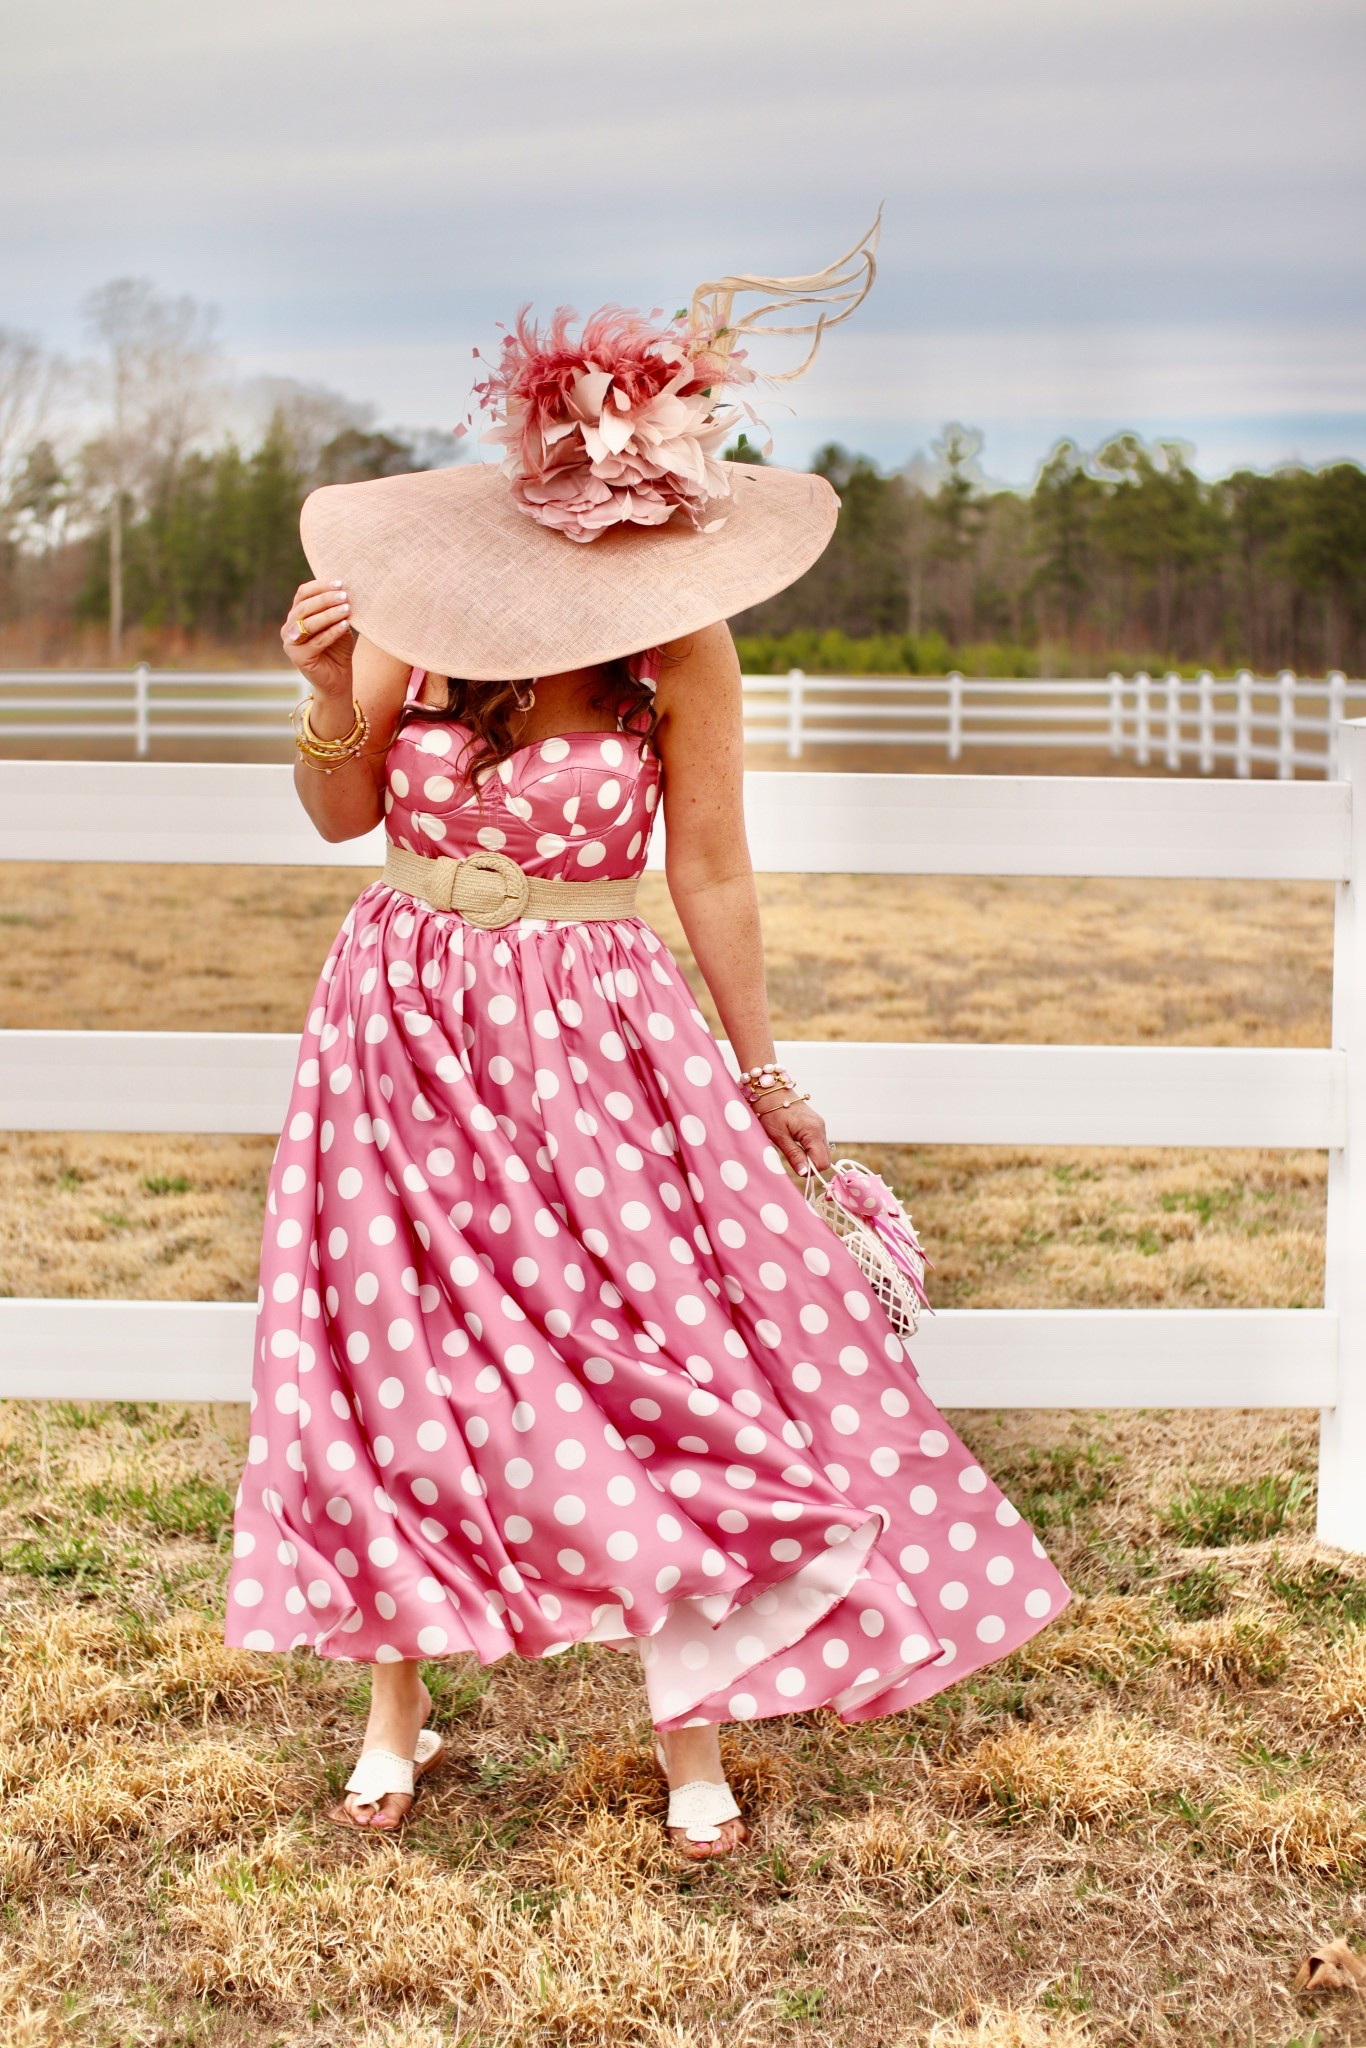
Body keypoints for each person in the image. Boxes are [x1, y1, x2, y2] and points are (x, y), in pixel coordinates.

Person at [225, 228, 1069, 1857]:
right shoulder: (420, 617)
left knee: (661, 1359)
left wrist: (760, 1079)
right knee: (384, 1353)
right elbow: (341, 812)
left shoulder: (676, 651)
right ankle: (395, 1708)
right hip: (395, 1021)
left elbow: (713, 871)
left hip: (595, 1032)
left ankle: (694, 1730)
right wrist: (327, 685)